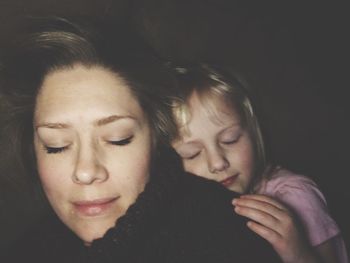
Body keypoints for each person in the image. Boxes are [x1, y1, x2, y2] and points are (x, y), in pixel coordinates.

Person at [0, 17, 281, 262]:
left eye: (118, 139)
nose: (85, 171)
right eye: (56, 145)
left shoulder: (226, 238)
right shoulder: (26, 251)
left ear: (157, 141)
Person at [170, 64, 348, 263]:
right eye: (192, 154)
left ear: (253, 133)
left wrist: (296, 253)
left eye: (231, 139)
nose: (218, 163)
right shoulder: (193, 208)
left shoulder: (295, 196)